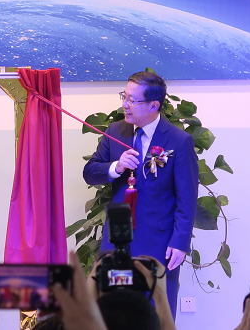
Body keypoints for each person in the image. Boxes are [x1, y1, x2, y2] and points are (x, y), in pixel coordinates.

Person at [83, 71, 198, 316]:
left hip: (159, 243)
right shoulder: (115, 131)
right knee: (114, 311)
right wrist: (116, 167)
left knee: (156, 312)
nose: (125, 104)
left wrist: (180, 243)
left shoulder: (179, 141)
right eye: (124, 96)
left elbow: (187, 198)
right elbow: (90, 173)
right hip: (116, 241)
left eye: (132, 100)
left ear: (154, 105)